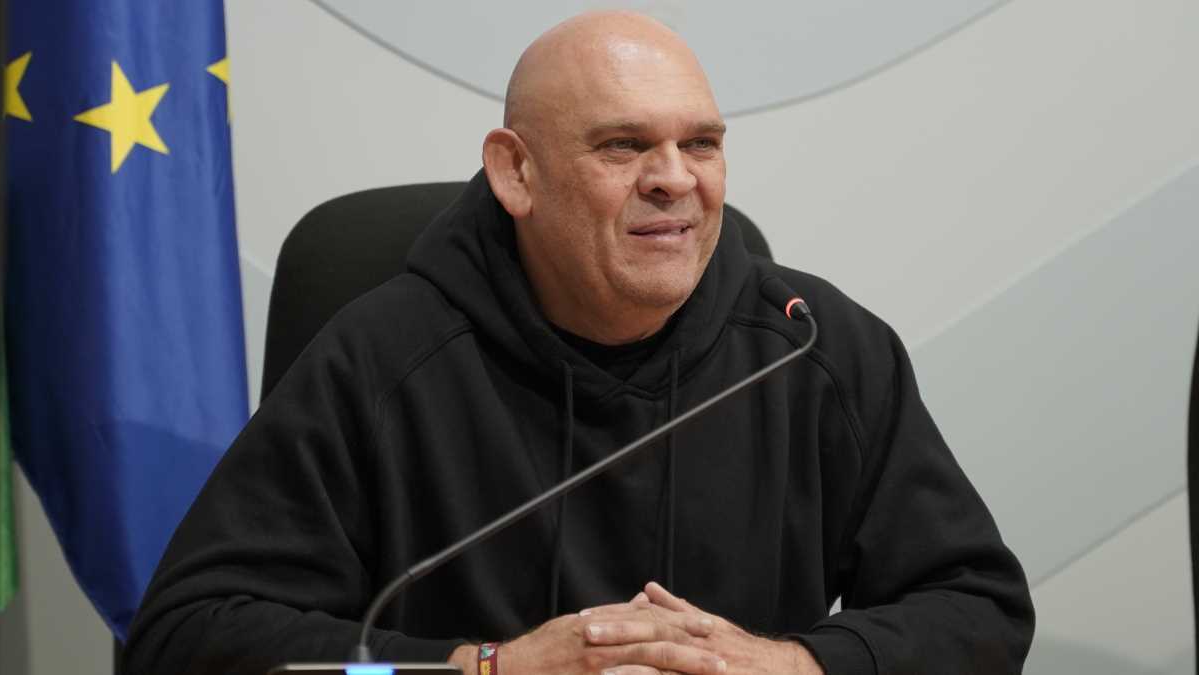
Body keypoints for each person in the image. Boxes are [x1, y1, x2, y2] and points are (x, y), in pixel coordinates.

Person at [123, 11, 1034, 675]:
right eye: (624, 145)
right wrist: (482, 670)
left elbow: (980, 610)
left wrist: (790, 665)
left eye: (702, 144)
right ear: (516, 172)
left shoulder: (817, 347)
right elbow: (183, 639)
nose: (676, 180)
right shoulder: (381, 358)